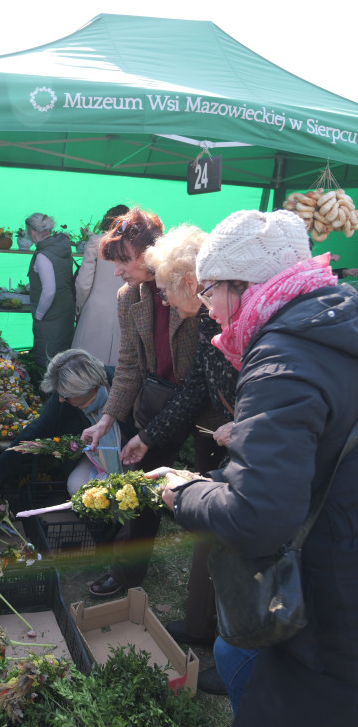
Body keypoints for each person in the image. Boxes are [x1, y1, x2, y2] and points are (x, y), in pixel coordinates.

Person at [157, 209, 358, 726]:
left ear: (243, 285)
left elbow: (257, 516)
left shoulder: (281, 360)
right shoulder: (335, 323)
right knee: (235, 656)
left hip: (332, 596)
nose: (208, 309)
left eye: (209, 291)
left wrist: (184, 493)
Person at [81, 207, 224, 598]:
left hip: (208, 409)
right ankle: (126, 573)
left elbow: (201, 382)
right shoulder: (129, 298)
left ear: (151, 253)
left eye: (123, 260)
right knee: (140, 487)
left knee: (210, 496)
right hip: (158, 399)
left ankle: (206, 596)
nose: (117, 272)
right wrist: (107, 417)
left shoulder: (195, 290)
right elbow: (129, 364)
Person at [119, 224, 236, 695]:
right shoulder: (211, 319)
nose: (163, 300)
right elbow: (194, 388)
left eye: (166, 288)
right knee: (212, 535)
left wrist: (246, 427)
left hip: (249, 444)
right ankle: (203, 627)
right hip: (230, 435)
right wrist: (147, 438)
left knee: (236, 544)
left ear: (192, 282)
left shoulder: (236, 322)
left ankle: (234, 651)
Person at [0, 348, 125, 496]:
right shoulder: (63, 396)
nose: (60, 400)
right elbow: (35, 431)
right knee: (77, 486)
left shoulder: (124, 385)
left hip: (129, 453)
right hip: (94, 455)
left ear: (86, 390)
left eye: (65, 396)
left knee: (126, 490)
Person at [71, 204, 128, 367]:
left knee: (85, 370)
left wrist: (80, 306)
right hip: (125, 312)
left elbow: (83, 282)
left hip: (95, 312)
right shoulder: (136, 246)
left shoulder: (96, 241)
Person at [25, 212, 75, 368]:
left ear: (32, 232)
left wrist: (39, 315)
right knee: (63, 360)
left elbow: (49, 291)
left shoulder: (43, 255)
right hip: (65, 311)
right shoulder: (61, 247)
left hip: (50, 317)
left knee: (49, 363)